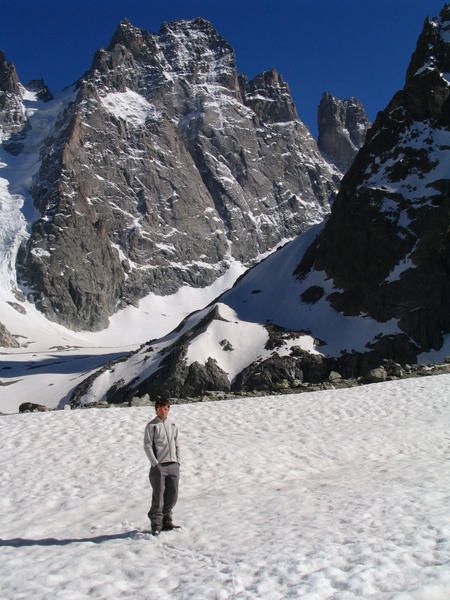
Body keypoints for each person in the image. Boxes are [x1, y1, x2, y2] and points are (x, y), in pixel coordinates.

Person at [143, 399, 180, 535]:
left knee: (173, 494)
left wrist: (178, 461)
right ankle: (156, 524)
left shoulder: (173, 425)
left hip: (173, 464)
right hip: (159, 466)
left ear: (168, 409)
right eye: (160, 408)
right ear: (156, 410)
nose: (162, 411)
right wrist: (155, 463)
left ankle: (167, 520)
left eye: (165, 408)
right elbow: (147, 445)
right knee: (158, 496)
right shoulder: (151, 426)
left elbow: (176, 444)